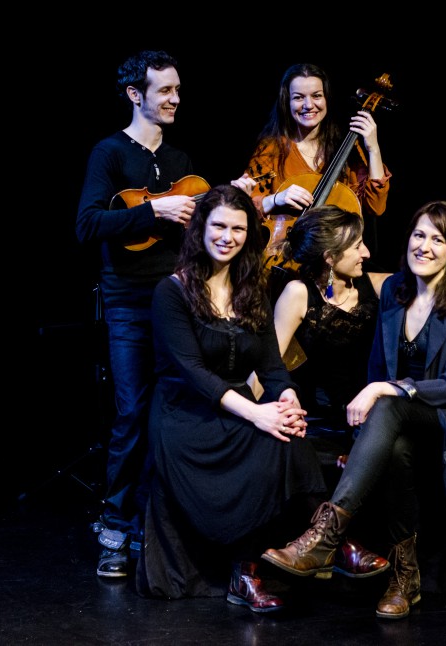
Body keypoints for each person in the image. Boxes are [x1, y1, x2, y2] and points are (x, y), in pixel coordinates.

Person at [134, 185, 384, 612]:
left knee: (287, 430)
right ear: (201, 229)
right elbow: (193, 375)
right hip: (185, 415)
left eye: (238, 228)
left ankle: (277, 559)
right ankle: (332, 544)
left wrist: (286, 400)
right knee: (266, 433)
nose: (228, 237)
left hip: (237, 408)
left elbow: (271, 366)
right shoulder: (171, 292)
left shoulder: (252, 289)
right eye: (219, 226)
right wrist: (259, 413)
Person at [261, 201, 446, 619]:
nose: (425, 246)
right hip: (402, 421)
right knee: (393, 446)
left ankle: (325, 537)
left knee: (388, 403)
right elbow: (378, 366)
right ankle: (404, 576)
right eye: (418, 234)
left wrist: (381, 388)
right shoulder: (394, 291)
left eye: (438, 238)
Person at [75, 50, 255, 579]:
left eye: (178, 89)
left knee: (174, 411)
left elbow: (202, 236)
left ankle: (160, 528)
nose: (176, 98)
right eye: (165, 90)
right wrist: (151, 210)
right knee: (132, 412)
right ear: (136, 95)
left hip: (179, 300)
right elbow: (86, 226)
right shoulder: (108, 154)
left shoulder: (179, 161)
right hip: (130, 303)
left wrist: (231, 202)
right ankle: (114, 527)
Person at [241, 63, 392, 278]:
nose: (308, 105)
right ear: (287, 101)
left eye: (316, 96)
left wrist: (373, 148)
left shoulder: (345, 149)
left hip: (335, 264)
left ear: (326, 98)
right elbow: (246, 206)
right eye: (298, 97)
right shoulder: (271, 149)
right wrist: (277, 199)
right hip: (280, 260)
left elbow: (375, 207)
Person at [270, 205, 391, 435]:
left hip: (371, 416)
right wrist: (247, 411)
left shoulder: (374, 285)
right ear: (330, 258)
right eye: (357, 247)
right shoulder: (298, 293)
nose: (366, 253)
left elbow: (425, 284)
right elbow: (270, 363)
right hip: (319, 421)